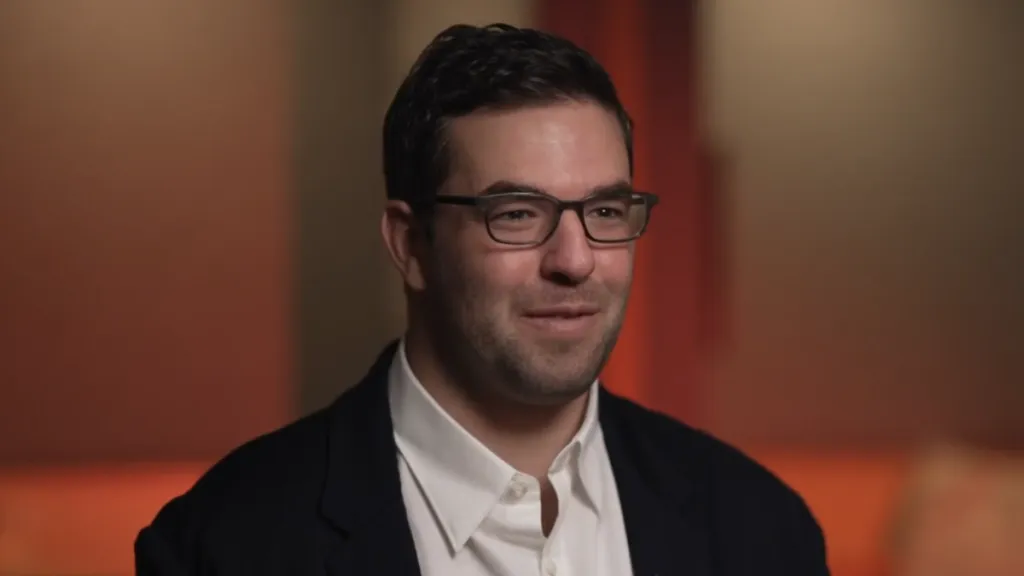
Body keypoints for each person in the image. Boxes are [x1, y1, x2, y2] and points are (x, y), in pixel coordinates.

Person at [135, 23, 829, 576]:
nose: (576, 260)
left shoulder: (759, 529)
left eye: (607, 212)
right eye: (519, 213)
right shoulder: (223, 546)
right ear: (411, 245)